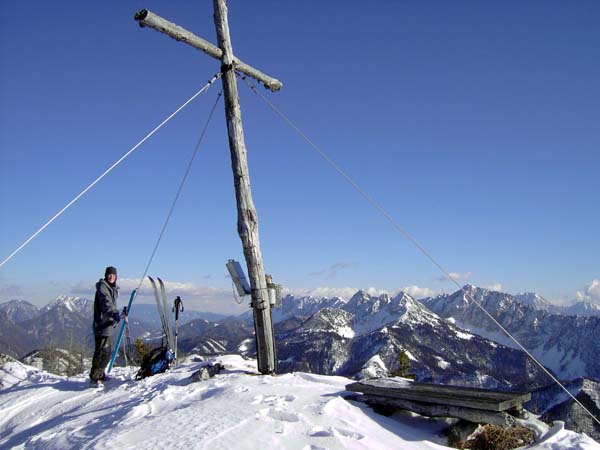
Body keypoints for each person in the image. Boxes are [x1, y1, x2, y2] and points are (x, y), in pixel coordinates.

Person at [89, 266, 121, 387]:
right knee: (102, 352)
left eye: (113, 275)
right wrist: (113, 312)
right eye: (109, 275)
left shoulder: (111, 288)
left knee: (105, 352)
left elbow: (111, 303)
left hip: (107, 325)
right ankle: (95, 377)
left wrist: (116, 314)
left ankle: (100, 374)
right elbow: (106, 303)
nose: (111, 277)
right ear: (106, 276)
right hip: (101, 325)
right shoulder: (103, 288)